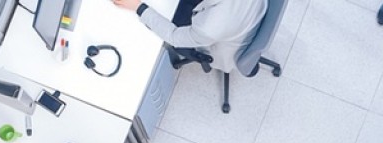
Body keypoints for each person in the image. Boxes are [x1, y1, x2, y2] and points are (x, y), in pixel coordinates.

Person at [111, 0, 267, 73]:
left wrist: (138, 7)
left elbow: (174, 36)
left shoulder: (209, 27)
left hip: (219, 45)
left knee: (153, 23)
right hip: (252, 11)